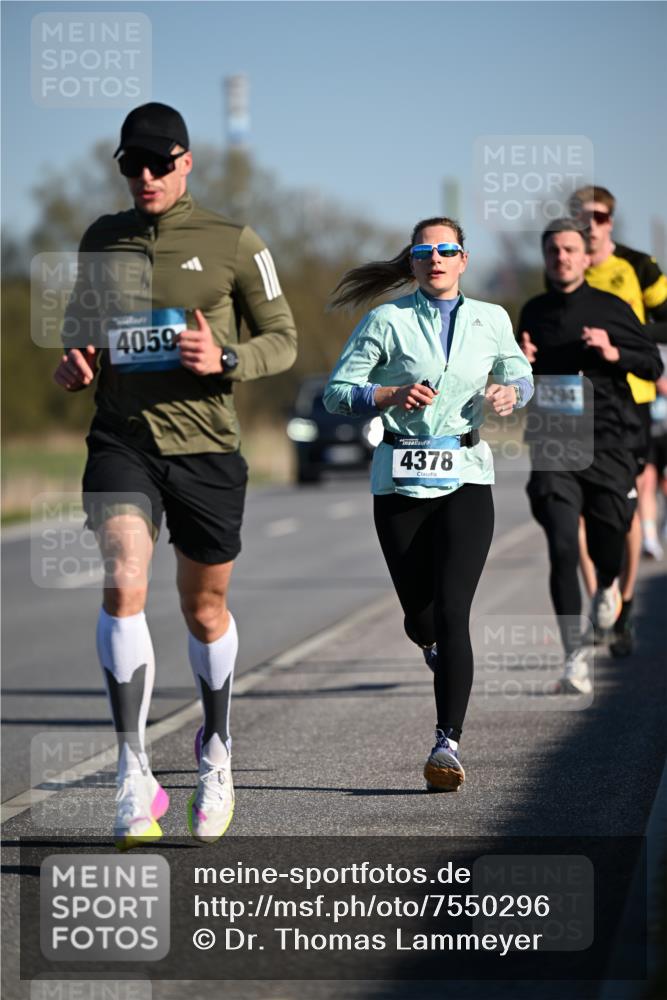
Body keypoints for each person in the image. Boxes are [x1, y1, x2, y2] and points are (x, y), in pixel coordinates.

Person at [53, 103, 297, 848]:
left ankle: (215, 752)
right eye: (133, 164)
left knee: (203, 610)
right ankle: (133, 773)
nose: (147, 176)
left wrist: (227, 359)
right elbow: (79, 335)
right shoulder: (103, 239)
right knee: (124, 579)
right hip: (123, 440)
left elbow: (281, 340)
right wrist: (75, 363)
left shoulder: (232, 241)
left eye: (160, 162)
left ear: (187, 161)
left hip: (207, 449)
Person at [323, 217, 533, 791]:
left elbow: (519, 370)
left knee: (453, 610)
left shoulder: (492, 319)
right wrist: (384, 393)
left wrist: (513, 389)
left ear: (463, 259)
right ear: (412, 262)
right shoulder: (385, 321)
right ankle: (431, 646)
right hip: (399, 480)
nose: (435, 258)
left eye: (446, 250)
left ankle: (447, 744)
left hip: (466, 474)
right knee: (420, 616)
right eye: (424, 251)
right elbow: (337, 393)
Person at [519, 219, 663, 694]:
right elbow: (519, 376)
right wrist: (520, 361)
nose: (561, 257)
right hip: (554, 439)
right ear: (546, 258)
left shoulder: (612, 308)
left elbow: (653, 365)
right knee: (562, 545)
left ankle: (605, 587)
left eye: (569, 249)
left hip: (609, 442)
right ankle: (572, 660)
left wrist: (612, 350)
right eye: (553, 250)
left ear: (585, 257)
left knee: (610, 533)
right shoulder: (533, 312)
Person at [568, 185, 667, 655]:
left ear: (612, 219)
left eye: (600, 216)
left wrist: (624, 336)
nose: (591, 225)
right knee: (574, 511)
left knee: (622, 506)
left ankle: (624, 603)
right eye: (582, 217)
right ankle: (599, 601)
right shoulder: (562, 264)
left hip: (631, 401)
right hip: (573, 403)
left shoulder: (638, 265)